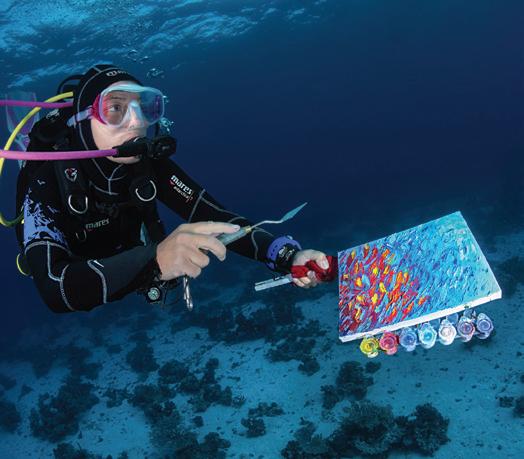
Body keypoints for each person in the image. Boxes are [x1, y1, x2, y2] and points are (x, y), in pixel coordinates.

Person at [19, 64, 332, 313]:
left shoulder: (148, 165)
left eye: (144, 107)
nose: (136, 122)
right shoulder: (47, 179)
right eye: (115, 108)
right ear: (82, 119)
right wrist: (155, 261)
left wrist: (287, 256)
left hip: (132, 264)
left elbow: (216, 217)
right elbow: (54, 290)